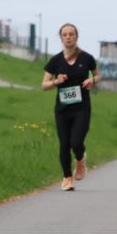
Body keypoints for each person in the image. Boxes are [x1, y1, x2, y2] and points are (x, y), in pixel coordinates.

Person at [41, 24, 100, 191]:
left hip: (82, 108)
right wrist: (56, 82)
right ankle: (67, 178)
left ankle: (80, 160)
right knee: (64, 144)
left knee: (76, 142)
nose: (68, 37)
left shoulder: (87, 58)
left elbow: (97, 75)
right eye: (65, 35)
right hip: (62, 109)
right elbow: (43, 85)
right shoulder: (55, 61)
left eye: (71, 34)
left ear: (76, 36)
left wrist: (92, 81)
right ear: (61, 38)